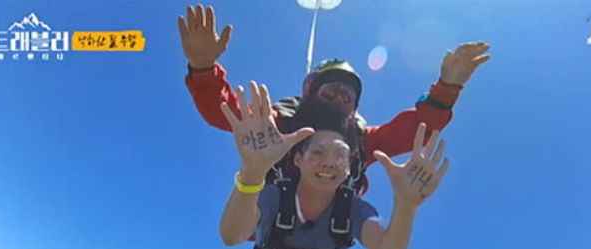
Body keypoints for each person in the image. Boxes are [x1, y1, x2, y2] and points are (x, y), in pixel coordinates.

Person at [177, 4, 489, 193]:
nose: (338, 96)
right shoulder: (281, 123)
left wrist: (448, 87)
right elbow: (225, 113)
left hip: (325, 236)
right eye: (330, 89)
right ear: (309, 92)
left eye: (347, 94)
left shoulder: (360, 140)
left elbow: (415, 130)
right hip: (267, 226)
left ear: (355, 108)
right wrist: (203, 69)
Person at [219, 81, 449, 249]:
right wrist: (253, 171)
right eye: (317, 152)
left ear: (350, 167)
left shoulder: (352, 209)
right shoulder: (276, 195)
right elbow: (231, 236)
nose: (329, 162)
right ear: (297, 160)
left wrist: (406, 205)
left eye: (341, 155)